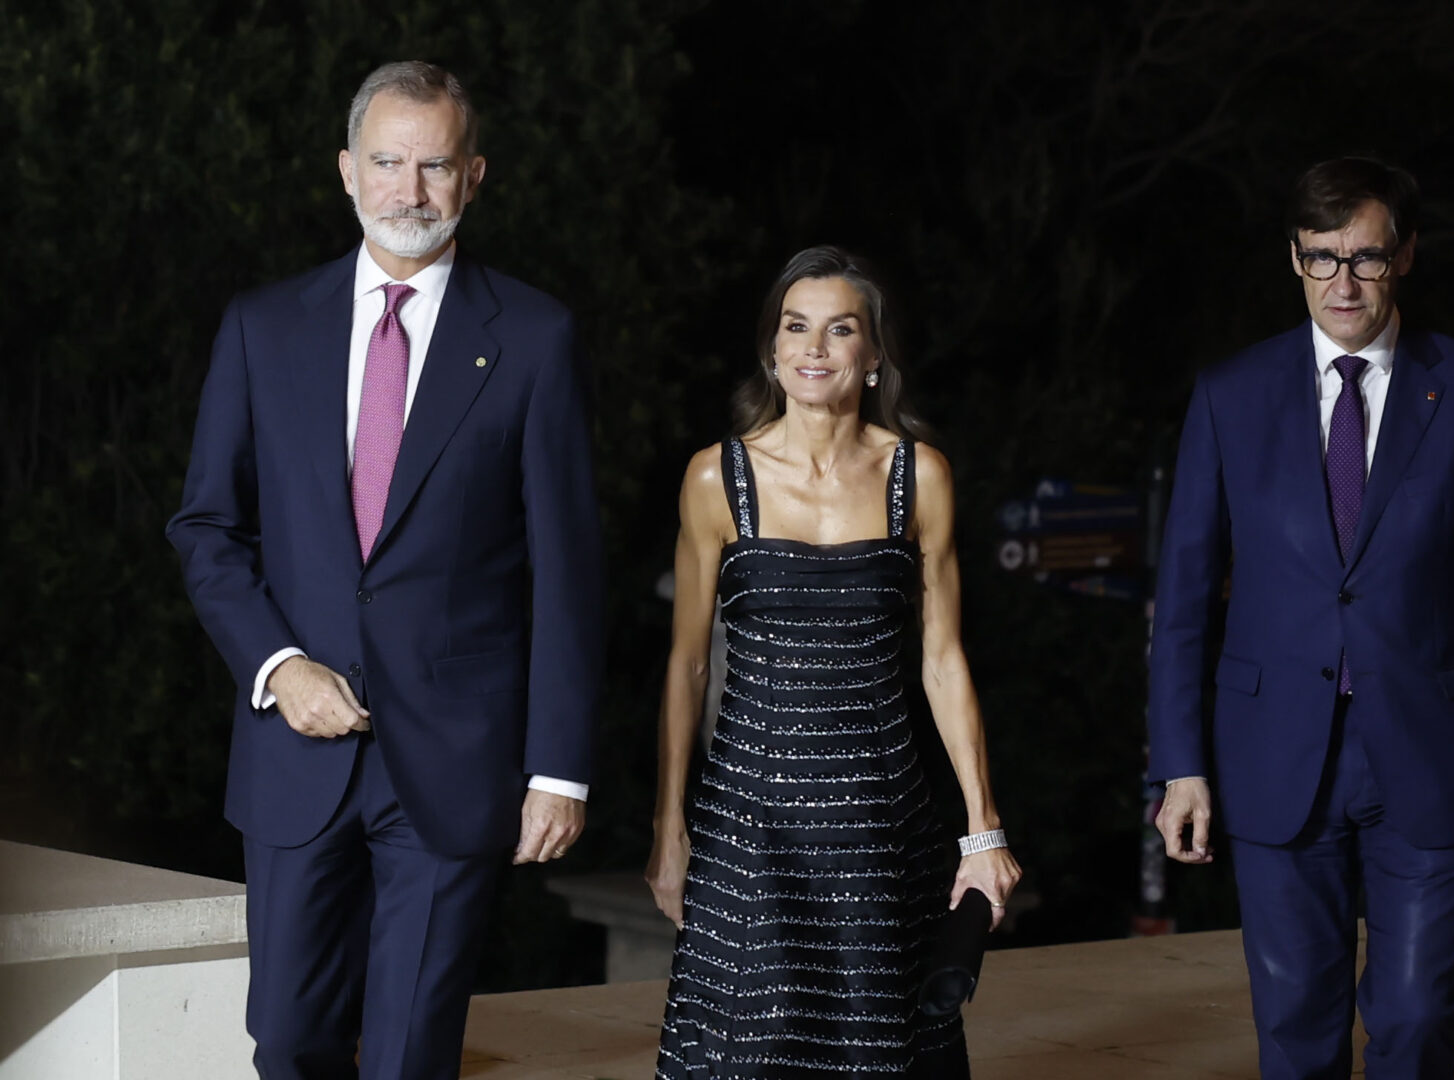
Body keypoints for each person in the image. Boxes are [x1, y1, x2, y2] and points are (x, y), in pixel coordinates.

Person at [166, 61, 602, 1079]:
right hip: (295, 756)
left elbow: (569, 569)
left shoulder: (534, 337)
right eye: (388, 162)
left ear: (475, 176)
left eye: (435, 164)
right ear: (347, 172)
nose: (410, 190)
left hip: (456, 754)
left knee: (410, 1052)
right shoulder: (264, 327)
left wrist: (559, 767)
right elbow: (206, 527)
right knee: (288, 1041)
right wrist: (277, 666)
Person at [1148, 157, 1454, 1078]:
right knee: (1295, 1026)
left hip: (1431, 746)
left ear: (1404, 256)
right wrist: (1177, 763)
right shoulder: (1230, 396)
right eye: (1321, 257)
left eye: (1365, 259)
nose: (1343, 282)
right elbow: (1180, 601)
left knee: (1418, 1014)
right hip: (1274, 751)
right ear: (1292, 259)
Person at [644, 246, 1021, 1078]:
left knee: (877, 1050)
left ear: (874, 355)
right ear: (772, 352)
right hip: (751, 826)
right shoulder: (717, 478)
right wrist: (670, 828)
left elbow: (945, 661)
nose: (814, 348)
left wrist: (982, 827)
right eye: (796, 327)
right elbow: (688, 670)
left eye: (840, 329)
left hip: (881, 827)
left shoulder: (918, 477)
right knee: (749, 1053)